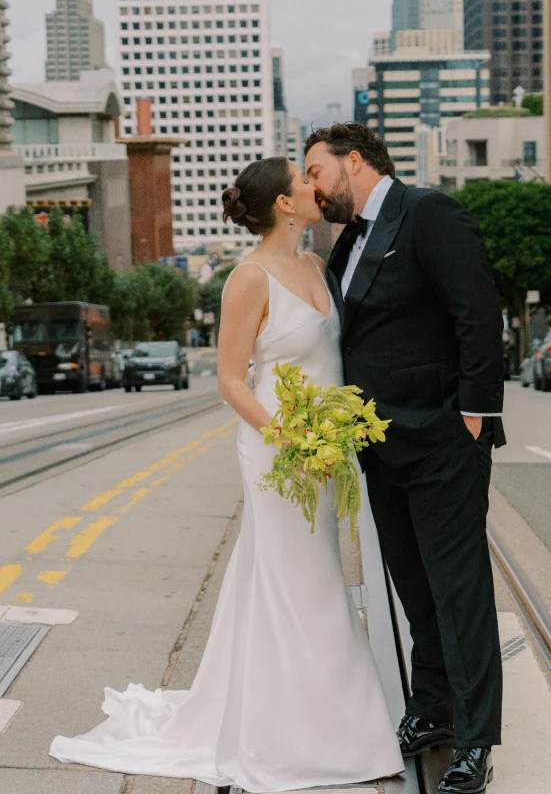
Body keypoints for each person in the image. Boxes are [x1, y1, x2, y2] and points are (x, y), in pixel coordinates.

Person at [49, 157, 405, 791]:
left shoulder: (317, 266)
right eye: (303, 180)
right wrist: (289, 437)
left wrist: (334, 432)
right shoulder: (248, 277)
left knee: (311, 573)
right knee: (299, 582)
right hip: (278, 451)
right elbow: (229, 380)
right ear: (284, 205)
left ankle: (320, 721)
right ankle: (303, 737)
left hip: (325, 449)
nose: (313, 185)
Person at [305, 123, 505, 794]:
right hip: (381, 446)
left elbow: (477, 311)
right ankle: (432, 710)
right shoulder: (346, 242)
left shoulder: (428, 212)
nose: (311, 185)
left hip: (443, 440)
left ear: (353, 161)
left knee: (460, 593)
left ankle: (476, 742)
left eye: (316, 170)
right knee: (416, 592)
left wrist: (474, 414)